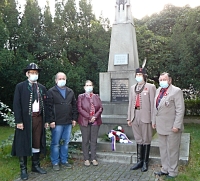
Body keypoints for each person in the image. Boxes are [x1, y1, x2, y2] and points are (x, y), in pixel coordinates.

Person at [11, 63, 49, 180]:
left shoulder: (42, 88)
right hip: (25, 120)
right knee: (23, 143)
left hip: (38, 119)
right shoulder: (20, 86)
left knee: (36, 141)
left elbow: (46, 106)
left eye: (36, 73)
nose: (34, 74)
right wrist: (18, 121)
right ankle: (23, 169)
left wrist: (46, 120)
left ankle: (35, 165)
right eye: (32, 72)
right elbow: (16, 105)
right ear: (27, 74)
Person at [153, 72, 185, 179]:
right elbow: (155, 108)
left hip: (172, 127)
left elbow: (180, 109)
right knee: (163, 149)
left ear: (170, 80)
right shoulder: (158, 90)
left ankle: (173, 172)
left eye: (164, 79)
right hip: (161, 126)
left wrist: (177, 125)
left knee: (172, 150)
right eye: (161, 79)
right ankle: (165, 169)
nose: (162, 81)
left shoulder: (176, 91)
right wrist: (154, 121)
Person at [127, 68, 156, 172]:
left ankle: (145, 162)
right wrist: (129, 117)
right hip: (135, 115)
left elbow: (153, 104)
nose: (138, 76)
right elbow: (130, 103)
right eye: (137, 74)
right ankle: (139, 161)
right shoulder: (132, 88)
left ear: (144, 75)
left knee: (146, 139)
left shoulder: (150, 87)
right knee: (138, 139)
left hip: (145, 116)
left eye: (140, 74)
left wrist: (153, 119)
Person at [48, 72, 78, 171]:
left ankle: (64, 160)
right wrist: (51, 120)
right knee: (55, 143)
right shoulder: (51, 91)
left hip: (68, 122)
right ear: (56, 80)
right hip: (57, 122)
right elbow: (49, 107)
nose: (62, 80)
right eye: (60, 78)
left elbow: (74, 105)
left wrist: (74, 118)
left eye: (63, 78)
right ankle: (55, 162)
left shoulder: (70, 91)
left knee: (65, 142)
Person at [77, 80, 103, 167]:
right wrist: (89, 117)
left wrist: (94, 116)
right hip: (84, 121)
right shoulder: (81, 97)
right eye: (87, 85)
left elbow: (100, 108)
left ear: (93, 86)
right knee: (85, 140)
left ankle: (93, 158)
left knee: (93, 140)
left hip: (95, 121)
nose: (89, 87)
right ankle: (86, 158)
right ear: (84, 87)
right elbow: (80, 109)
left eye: (90, 85)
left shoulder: (96, 96)